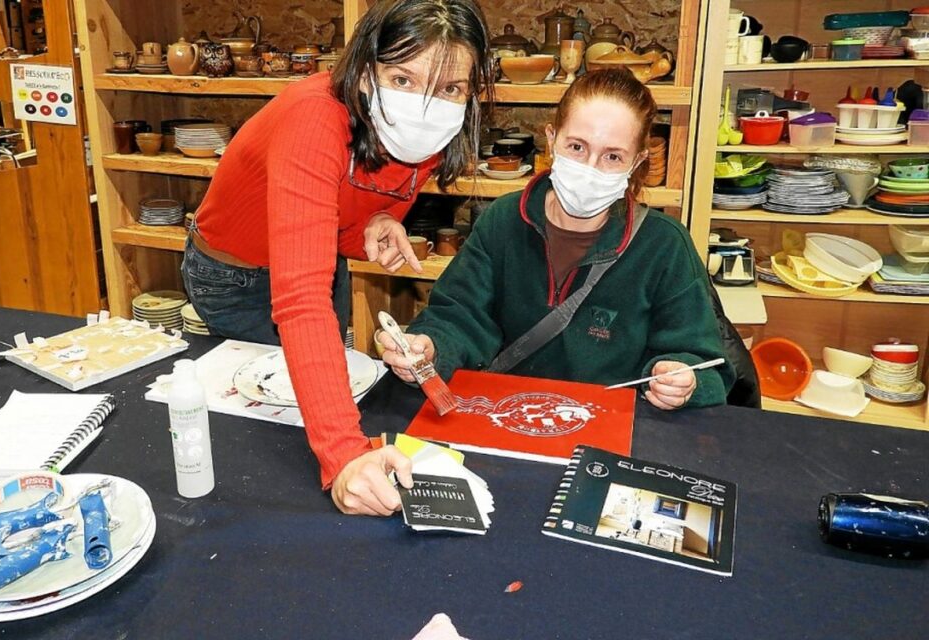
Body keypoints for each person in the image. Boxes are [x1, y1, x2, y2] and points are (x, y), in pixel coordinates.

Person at [182, 0, 493, 516]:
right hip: (236, 276)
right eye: (403, 78)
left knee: (329, 391)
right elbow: (301, 297)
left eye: (450, 88)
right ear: (367, 72)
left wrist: (374, 221)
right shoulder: (314, 115)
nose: (425, 105)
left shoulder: (433, 131)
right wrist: (346, 455)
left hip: (319, 261)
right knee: (267, 426)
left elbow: (338, 221)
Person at [379, 67, 735, 410]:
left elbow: (703, 361)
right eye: (577, 147)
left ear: (638, 161)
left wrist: (684, 381)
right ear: (551, 139)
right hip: (507, 413)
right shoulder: (503, 220)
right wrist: (430, 348)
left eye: (613, 156)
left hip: (611, 425)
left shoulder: (664, 245)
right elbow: (458, 316)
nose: (590, 168)